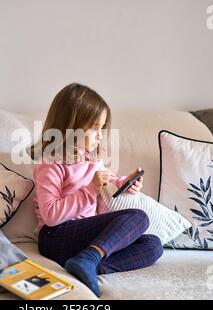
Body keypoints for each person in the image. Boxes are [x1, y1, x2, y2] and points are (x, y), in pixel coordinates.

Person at [29, 83, 163, 297]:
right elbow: (51, 215)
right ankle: (89, 258)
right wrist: (91, 188)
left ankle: (87, 264)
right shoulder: (51, 163)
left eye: (102, 128)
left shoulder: (90, 160)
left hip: (84, 240)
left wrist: (124, 184)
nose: (100, 135)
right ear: (71, 127)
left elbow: (107, 180)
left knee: (153, 245)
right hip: (56, 236)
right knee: (138, 217)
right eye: (95, 127)